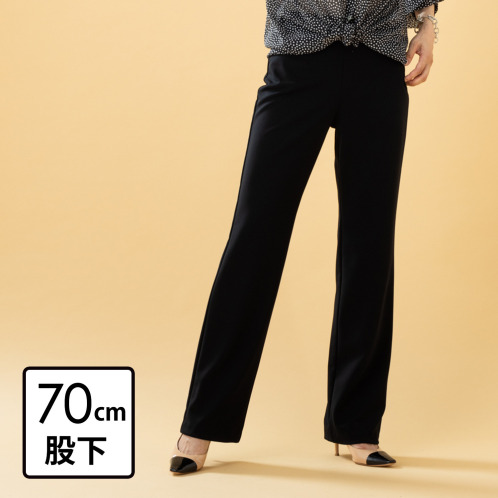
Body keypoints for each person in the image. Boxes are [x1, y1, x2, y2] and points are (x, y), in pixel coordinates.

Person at [170, 0, 443, 473]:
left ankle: (357, 423)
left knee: (370, 243)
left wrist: (428, 21)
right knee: (255, 235)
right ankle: (202, 421)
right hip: (298, 59)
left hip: (379, 63)